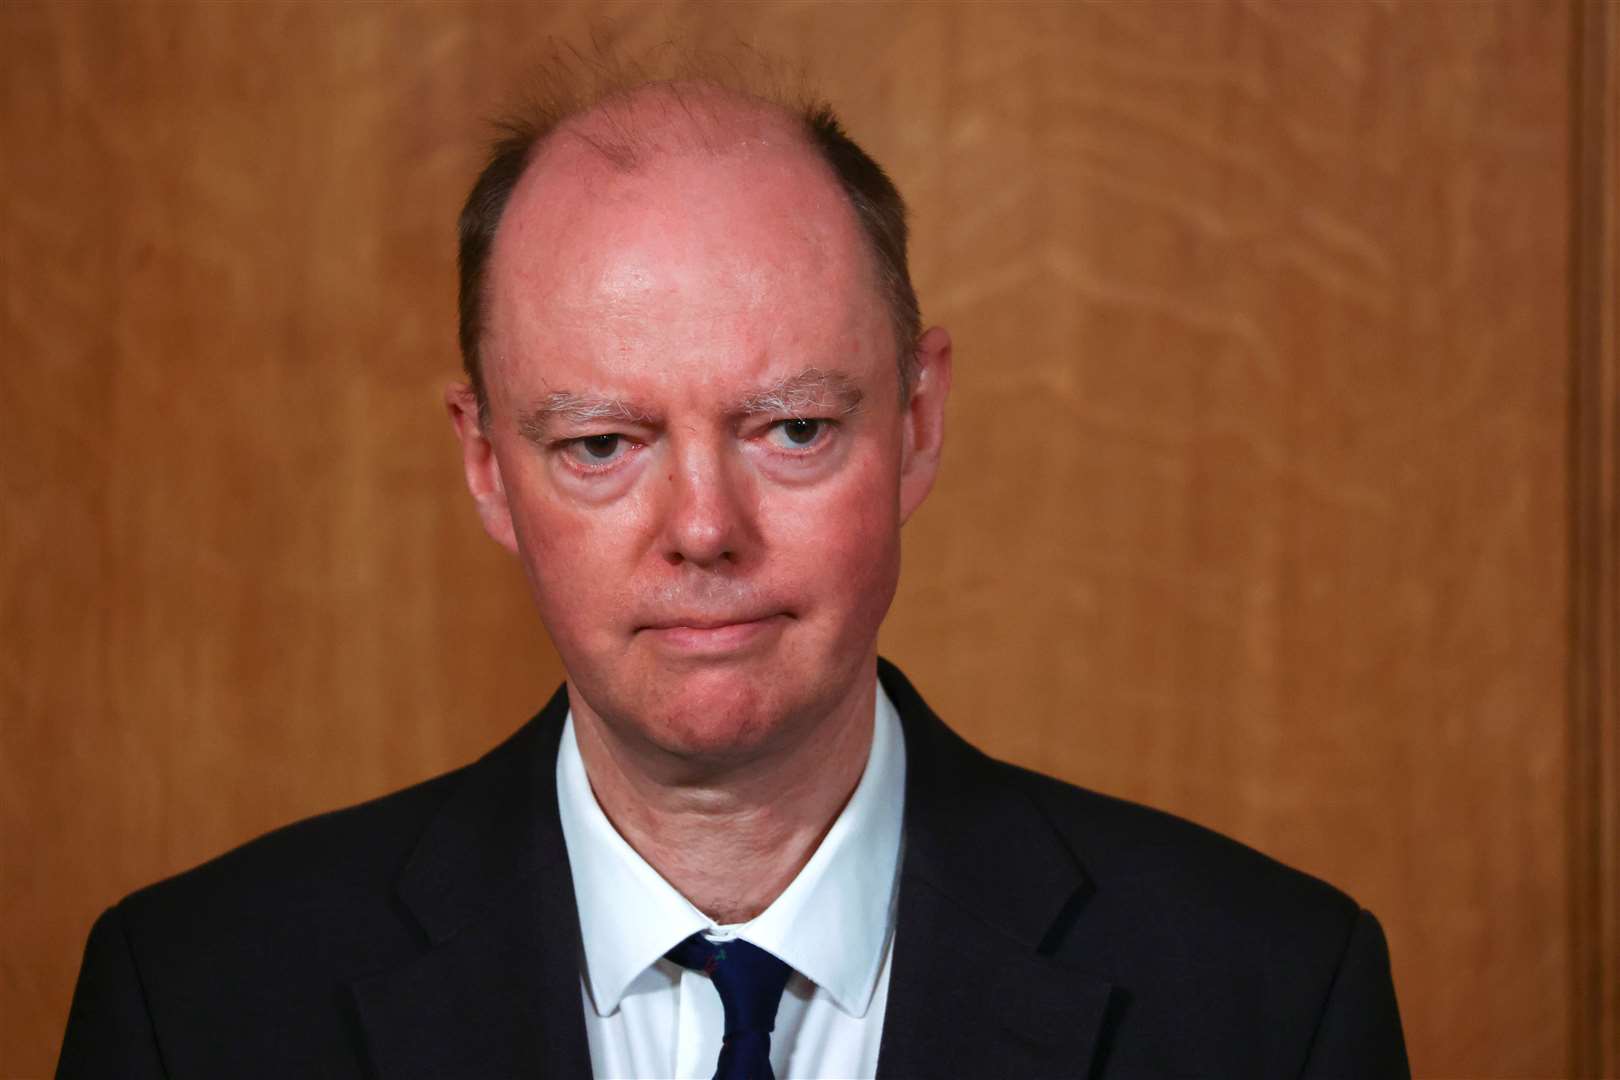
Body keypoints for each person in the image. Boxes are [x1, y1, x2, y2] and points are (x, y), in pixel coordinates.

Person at [58, 63, 1409, 1080]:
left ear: (918, 422)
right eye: (600, 442)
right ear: (485, 465)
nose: (703, 527)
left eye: (793, 429)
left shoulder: (1271, 1003)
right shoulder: (195, 1009)